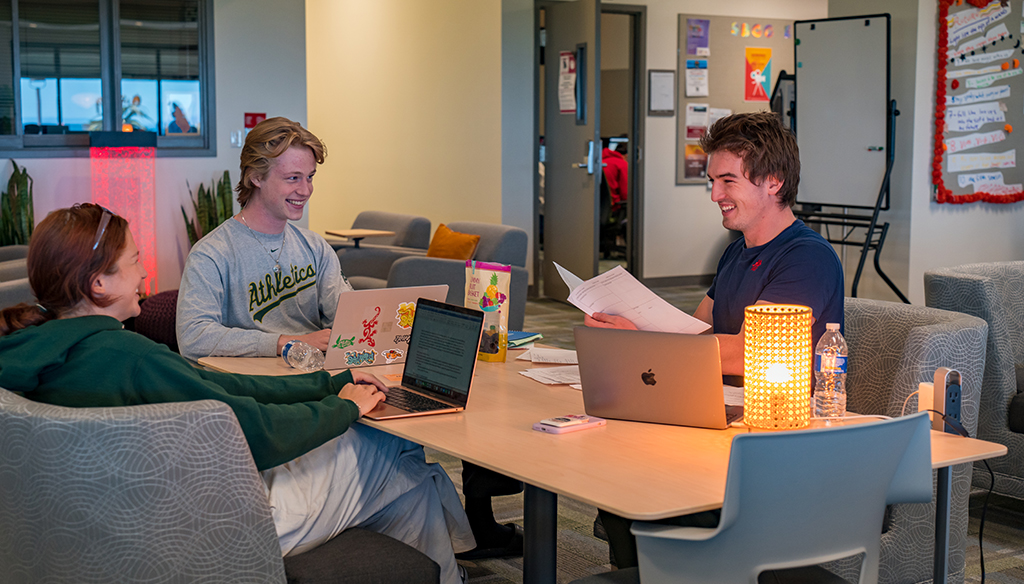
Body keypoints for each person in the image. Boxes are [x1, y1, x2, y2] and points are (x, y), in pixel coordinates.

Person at [0, 204, 475, 584]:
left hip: (107, 526)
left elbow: (225, 387)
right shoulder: (131, 358)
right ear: (98, 283)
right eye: (134, 263)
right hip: (209, 526)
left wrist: (328, 383)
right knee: (396, 452)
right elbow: (255, 432)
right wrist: (345, 407)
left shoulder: (30, 351)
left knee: (408, 489)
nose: (145, 274)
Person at [586, 111, 845, 568]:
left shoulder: (807, 258)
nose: (715, 195)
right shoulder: (736, 252)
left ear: (774, 182)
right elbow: (699, 330)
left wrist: (643, 337)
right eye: (713, 181)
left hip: (773, 435)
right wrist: (631, 326)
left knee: (636, 477)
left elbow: (752, 352)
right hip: (721, 415)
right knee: (615, 459)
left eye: (728, 181)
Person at [176, 117, 350, 362]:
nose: (305, 190)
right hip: (250, 388)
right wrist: (284, 343)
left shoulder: (315, 247)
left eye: (309, 177)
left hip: (314, 377)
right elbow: (193, 337)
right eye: (293, 178)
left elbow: (348, 320)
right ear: (256, 177)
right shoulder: (211, 253)